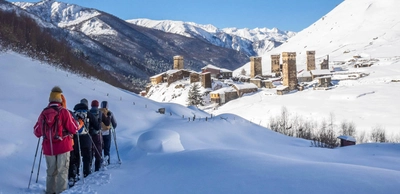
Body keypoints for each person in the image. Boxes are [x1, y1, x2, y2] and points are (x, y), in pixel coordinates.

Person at [33, 86, 78, 194]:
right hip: (63, 146)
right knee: (62, 171)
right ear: (60, 99)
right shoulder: (64, 112)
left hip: (49, 148)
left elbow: (36, 131)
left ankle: (50, 191)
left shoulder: (44, 113)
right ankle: (60, 192)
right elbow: (74, 128)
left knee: (51, 171)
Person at [69, 98, 99, 180]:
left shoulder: (74, 113)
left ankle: (74, 175)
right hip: (86, 138)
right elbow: (97, 126)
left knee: (75, 158)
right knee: (86, 158)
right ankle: (86, 174)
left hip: (76, 139)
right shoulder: (88, 114)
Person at [89, 100, 109, 171]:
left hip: (89, 135)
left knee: (90, 150)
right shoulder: (100, 113)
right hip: (97, 134)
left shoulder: (88, 112)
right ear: (97, 105)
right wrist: (109, 117)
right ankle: (97, 167)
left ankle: (89, 167)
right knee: (98, 149)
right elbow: (107, 123)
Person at [100, 101, 117, 165]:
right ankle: (107, 161)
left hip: (99, 133)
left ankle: (100, 161)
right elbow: (114, 124)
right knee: (107, 148)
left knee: (100, 148)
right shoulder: (110, 113)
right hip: (107, 133)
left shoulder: (99, 112)